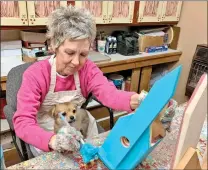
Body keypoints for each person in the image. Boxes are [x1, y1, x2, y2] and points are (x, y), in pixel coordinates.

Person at [13, 6, 140, 157]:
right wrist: (53, 141)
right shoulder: (36, 75)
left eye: (83, 54)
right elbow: (23, 121)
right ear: (54, 45)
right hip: (44, 136)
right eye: (70, 52)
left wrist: (135, 100)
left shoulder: (87, 70)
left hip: (76, 127)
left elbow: (109, 94)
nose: (76, 62)